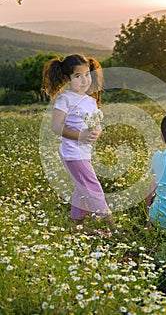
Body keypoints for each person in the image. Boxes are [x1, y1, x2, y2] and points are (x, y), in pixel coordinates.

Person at [42, 53, 115, 235]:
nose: (84, 80)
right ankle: (112, 227)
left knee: (80, 187)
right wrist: (80, 136)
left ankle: (77, 225)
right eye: (78, 76)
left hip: (84, 152)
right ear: (67, 79)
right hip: (72, 153)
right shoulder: (65, 99)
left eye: (87, 74)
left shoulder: (90, 100)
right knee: (92, 187)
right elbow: (57, 127)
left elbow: (96, 124)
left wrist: (96, 133)